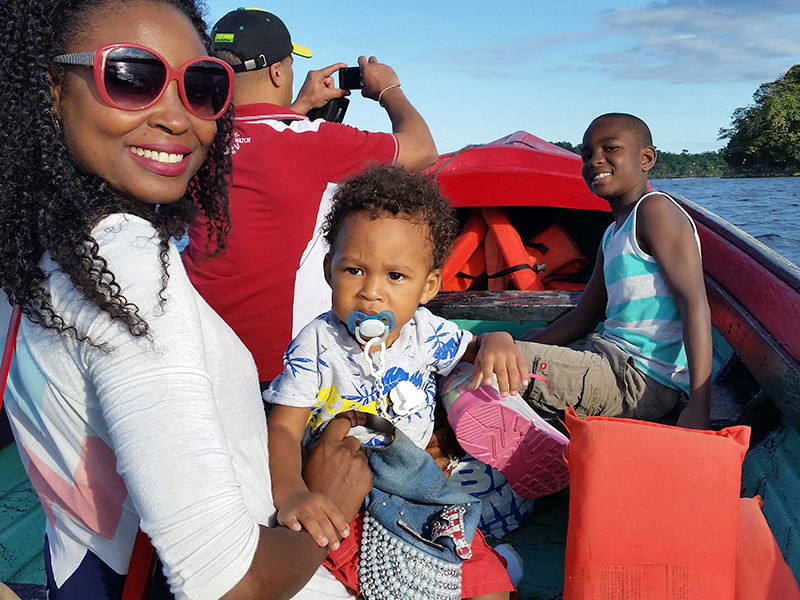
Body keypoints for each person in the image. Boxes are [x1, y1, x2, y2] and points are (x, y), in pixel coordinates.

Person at [0, 0, 373, 598]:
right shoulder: (126, 264)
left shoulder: (36, 247)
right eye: (131, 77)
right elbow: (234, 585)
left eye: (201, 88)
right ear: (49, 88)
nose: (179, 118)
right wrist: (331, 498)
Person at [263, 166, 523, 599]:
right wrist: (292, 493)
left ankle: (497, 564)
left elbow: (474, 347)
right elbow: (284, 428)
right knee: (378, 583)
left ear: (429, 286)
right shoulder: (317, 342)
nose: (371, 292)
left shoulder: (426, 332)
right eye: (354, 270)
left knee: (486, 587)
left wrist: (498, 339)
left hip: (419, 487)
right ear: (329, 269)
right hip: (349, 494)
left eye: (395, 276)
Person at [182, 8, 439, 386]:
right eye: (290, 64)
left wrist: (297, 108)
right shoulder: (314, 142)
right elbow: (423, 149)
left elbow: (255, 138)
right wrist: (388, 90)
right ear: (278, 73)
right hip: (280, 371)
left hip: (200, 356)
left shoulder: (196, 139)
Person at [512, 113, 712, 430]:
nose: (595, 160)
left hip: (640, 379)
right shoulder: (612, 233)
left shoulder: (655, 211)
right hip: (606, 356)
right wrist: (532, 340)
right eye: (586, 154)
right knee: (501, 351)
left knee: (490, 359)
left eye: (610, 148)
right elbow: (584, 316)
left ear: (646, 159)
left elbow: (694, 303)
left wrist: (699, 406)